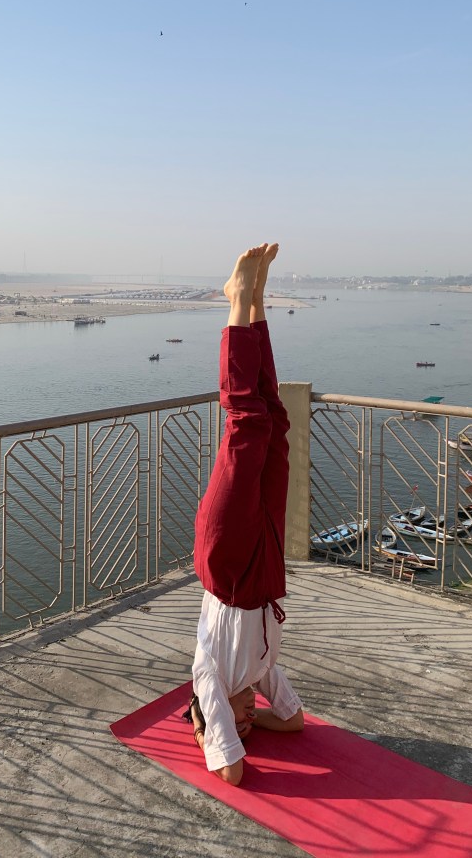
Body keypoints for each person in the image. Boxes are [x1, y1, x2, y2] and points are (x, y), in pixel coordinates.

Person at [185, 243, 304, 786]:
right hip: (266, 560)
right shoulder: (258, 675)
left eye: (238, 725)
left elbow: (231, 773)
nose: (248, 723)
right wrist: (255, 700)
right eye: (248, 727)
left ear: (208, 723)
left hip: (228, 564)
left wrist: (219, 718)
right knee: (276, 423)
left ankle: (234, 303)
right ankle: (256, 300)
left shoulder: (208, 676)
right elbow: (295, 721)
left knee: (246, 424)